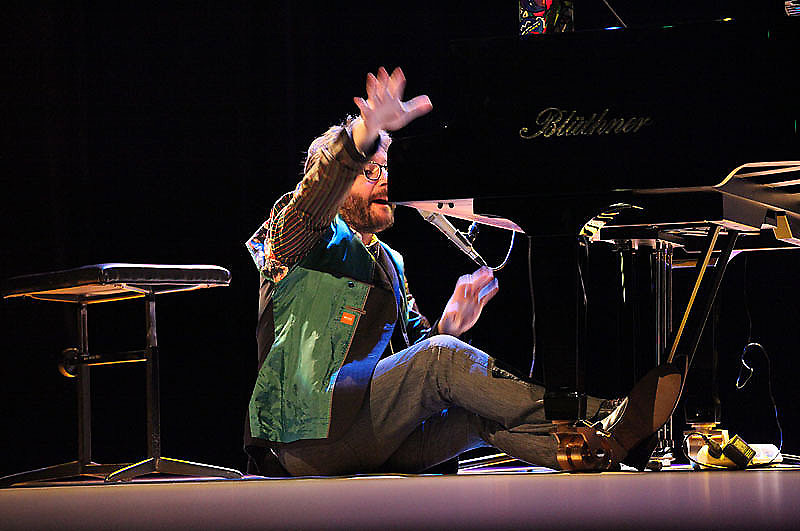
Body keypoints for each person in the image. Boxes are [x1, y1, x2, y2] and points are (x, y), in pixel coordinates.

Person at [243, 66, 673, 476]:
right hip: (303, 441)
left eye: (388, 169)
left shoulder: (390, 261)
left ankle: (600, 449)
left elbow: (408, 373)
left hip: (362, 434)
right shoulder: (302, 237)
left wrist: (448, 326)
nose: (385, 180)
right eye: (369, 170)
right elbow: (316, 194)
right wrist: (364, 133)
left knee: (479, 410)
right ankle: (603, 415)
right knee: (441, 358)